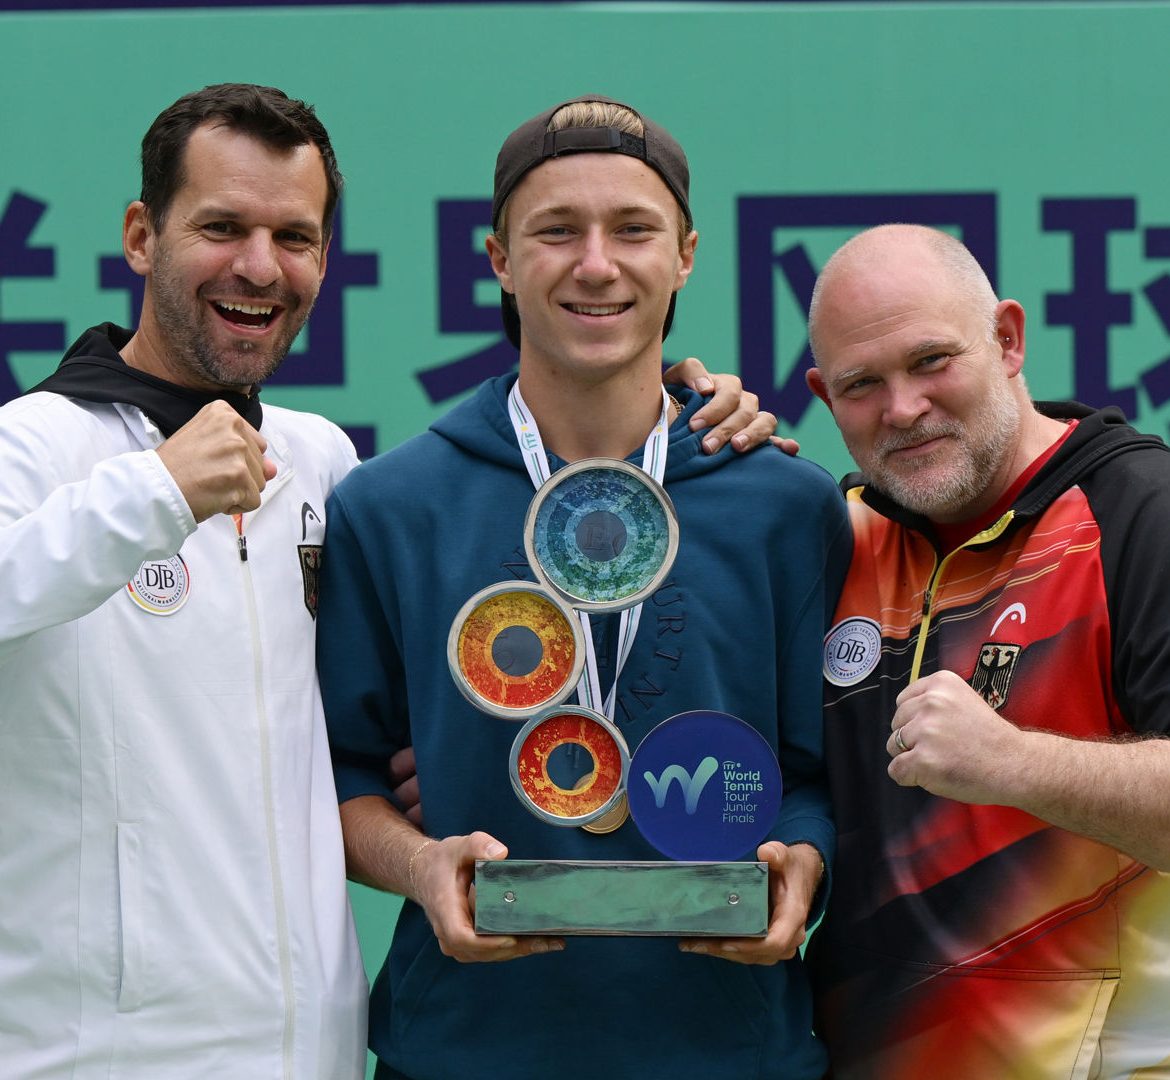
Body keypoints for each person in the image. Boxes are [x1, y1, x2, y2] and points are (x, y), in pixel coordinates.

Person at [0, 83, 773, 1079]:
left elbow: (358, 744)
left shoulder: (319, 462)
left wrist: (668, 411)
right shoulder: (30, 451)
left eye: (295, 235)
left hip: (305, 1056)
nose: (258, 266)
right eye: (221, 227)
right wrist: (148, 497)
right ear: (142, 236)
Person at [316, 95, 851, 1080]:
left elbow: (822, 773)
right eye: (555, 231)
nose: (595, 264)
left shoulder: (787, 504)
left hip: (733, 1051)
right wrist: (419, 865)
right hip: (464, 1053)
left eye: (632, 230)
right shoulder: (392, 506)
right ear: (498, 259)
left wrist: (802, 871)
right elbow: (337, 780)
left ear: (685, 255)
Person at [799, 223, 1170, 1079]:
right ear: (823, 396)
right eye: (861, 383)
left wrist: (1018, 764)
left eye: (932, 361)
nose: (902, 408)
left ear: (1008, 340)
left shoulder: (1147, 512)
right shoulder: (839, 539)